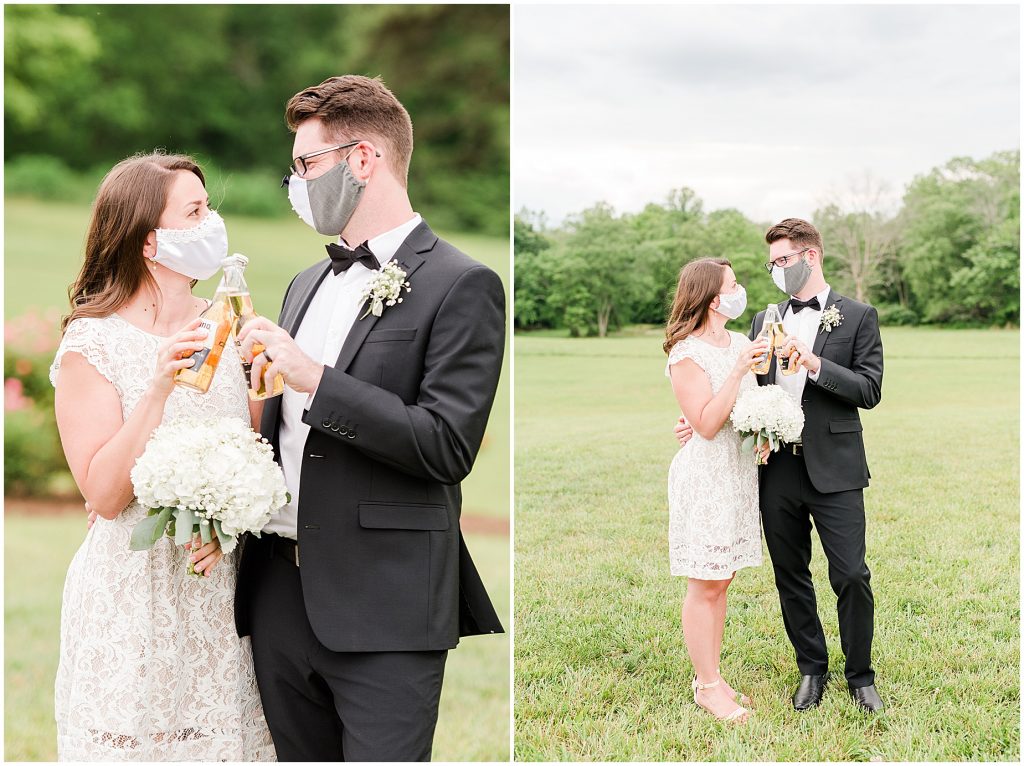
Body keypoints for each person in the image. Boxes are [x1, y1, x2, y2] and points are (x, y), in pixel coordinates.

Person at [231, 75, 506, 761]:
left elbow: (446, 445)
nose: (295, 183)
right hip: (277, 593)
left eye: (305, 165)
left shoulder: (462, 284)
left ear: (362, 159)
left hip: (386, 602)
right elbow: (280, 431)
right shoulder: (304, 283)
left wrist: (314, 379)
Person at [50, 153, 276, 760]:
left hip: (220, 593)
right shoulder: (92, 342)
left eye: (211, 208)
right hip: (131, 590)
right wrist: (156, 388)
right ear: (151, 241)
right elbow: (102, 493)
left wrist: (228, 526)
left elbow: (265, 456)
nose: (214, 222)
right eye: (196, 211)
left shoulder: (235, 323)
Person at [676, 218, 884, 713]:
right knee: (790, 575)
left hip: (835, 466)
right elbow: (739, 385)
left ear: (810, 256)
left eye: (782, 261)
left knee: (851, 573)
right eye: (770, 263)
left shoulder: (857, 315)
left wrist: (813, 363)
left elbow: (870, 390)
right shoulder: (763, 318)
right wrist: (693, 420)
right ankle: (811, 669)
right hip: (774, 469)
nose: (774, 270)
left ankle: (860, 675)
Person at [664, 257, 770, 723]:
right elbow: (706, 425)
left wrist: (765, 433)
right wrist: (735, 372)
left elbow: (747, 407)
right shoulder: (685, 354)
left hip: (739, 473)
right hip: (706, 477)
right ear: (710, 297)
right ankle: (706, 686)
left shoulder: (741, 341)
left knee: (722, 579)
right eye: (731, 285)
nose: (739, 290)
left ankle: (714, 675)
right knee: (705, 581)